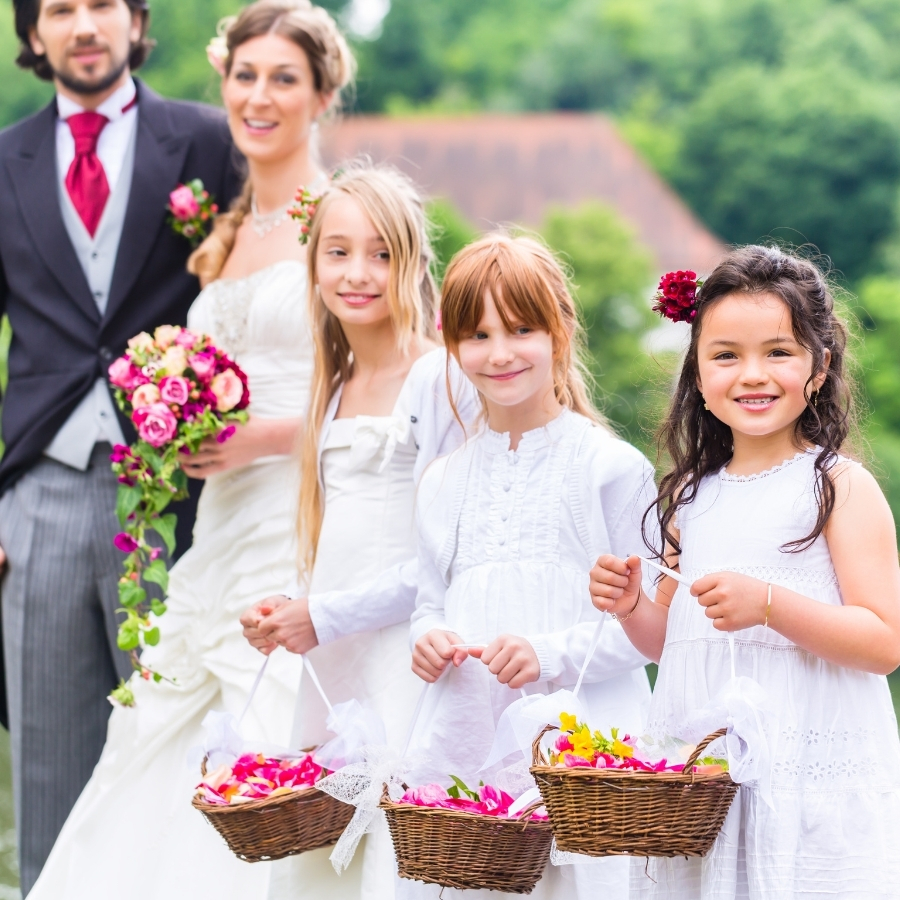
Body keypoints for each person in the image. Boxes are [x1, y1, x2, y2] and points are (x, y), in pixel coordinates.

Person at [26, 2, 354, 898]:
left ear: (323, 94)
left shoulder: (344, 220)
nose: (258, 97)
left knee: (274, 740)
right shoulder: (226, 230)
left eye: (284, 79)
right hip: (215, 529)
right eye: (244, 77)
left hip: (302, 524)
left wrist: (267, 436)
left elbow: (401, 391)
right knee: (156, 733)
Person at [0, 0, 242, 891]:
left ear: (136, 22)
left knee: (182, 762)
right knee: (50, 772)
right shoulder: (2, 162)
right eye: (60, 8)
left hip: (185, 498)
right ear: (33, 35)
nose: (83, 25)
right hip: (40, 493)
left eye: (102, 4)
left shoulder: (212, 142)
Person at [590, 246, 900, 898]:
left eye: (778, 352)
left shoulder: (837, 487)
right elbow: (672, 642)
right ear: (698, 373)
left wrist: (770, 605)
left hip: (805, 770)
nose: (752, 374)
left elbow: (883, 641)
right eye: (726, 355)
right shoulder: (691, 499)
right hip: (706, 787)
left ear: (819, 367)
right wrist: (630, 606)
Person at [240, 162, 479, 899]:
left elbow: (449, 558)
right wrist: (291, 608)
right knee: (323, 848)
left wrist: (327, 613)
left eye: (381, 254)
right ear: (312, 263)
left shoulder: (440, 379)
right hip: (335, 650)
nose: (358, 273)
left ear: (412, 264)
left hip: (404, 652)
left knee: (395, 842)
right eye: (338, 252)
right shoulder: (334, 386)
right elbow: (342, 535)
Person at [407, 233, 655, 899]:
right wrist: (425, 639)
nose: (499, 353)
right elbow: (429, 601)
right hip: (467, 749)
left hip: (585, 756)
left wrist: (546, 654)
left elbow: (651, 629)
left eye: (521, 329)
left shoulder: (610, 467)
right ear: (452, 345)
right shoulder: (440, 480)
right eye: (478, 335)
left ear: (560, 330)